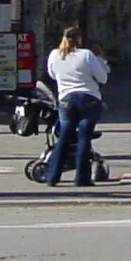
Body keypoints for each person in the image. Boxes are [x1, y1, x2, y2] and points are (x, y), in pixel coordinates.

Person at [43, 26, 109, 187]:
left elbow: (52, 74)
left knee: (64, 137)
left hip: (66, 99)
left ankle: (52, 176)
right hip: (88, 98)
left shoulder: (55, 55)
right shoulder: (86, 55)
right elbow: (102, 78)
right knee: (84, 138)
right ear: (79, 39)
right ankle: (82, 177)